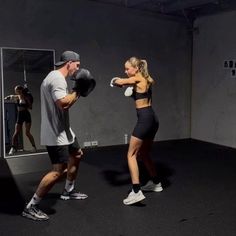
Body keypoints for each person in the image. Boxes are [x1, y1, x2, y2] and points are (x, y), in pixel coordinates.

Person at [22, 51, 92, 221]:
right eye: (77, 63)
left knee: (77, 154)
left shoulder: (56, 78)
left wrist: (77, 91)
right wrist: (78, 90)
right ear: (69, 63)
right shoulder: (57, 78)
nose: (78, 67)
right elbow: (63, 104)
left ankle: (68, 190)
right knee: (57, 172)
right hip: (56, 133)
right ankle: (31, 206)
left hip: (64, 130)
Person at [110, 57, 163, 205]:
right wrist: (131, 90)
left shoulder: (138, 78)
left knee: (131, 154)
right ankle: (156, 183)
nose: (125, 71)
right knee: (144, 153)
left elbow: (118, 81)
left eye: (128, 69)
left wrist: (114, 81)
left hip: (145, 119)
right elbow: (137, 93)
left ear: (136, 68)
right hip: (153, 119)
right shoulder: (144, 80)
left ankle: (136, 191)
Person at [4, 85, 36, 155]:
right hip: (20, 115)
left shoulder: (26, 97)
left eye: (16, 90)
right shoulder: (17, 96)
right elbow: (10, 96)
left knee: (27, 132)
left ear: (20, 90)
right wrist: (6, 98)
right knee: (16, 132)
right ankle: (12, 148)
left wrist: (27, 100)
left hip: (26, 114)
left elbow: (30, 107)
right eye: (15, 90)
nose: (15, 91)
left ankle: (34, 147)